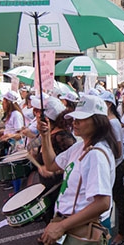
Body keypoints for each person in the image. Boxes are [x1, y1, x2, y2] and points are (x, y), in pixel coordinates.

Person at [38, 94, 119, 245]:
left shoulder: (96, 155)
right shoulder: (79, 146)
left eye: (81, 119)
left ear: (98, 122)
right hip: (73, 224)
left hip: (85, 228)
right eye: (74, 118)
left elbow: (103, 202)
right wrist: (45, 136)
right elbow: (52, 164)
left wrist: (62, 226)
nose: (75, 122)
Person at [29, 96, 75, 224]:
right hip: (47, 187)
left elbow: (73, 163)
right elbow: (32, 147)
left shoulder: (63, 137)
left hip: (59, 188)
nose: (37, 115)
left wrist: (54, 171)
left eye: (40, 112)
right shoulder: (46, 134)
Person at [100, 91, 124, 245]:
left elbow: (119, 149)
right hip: (111, 165)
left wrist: (108, 158)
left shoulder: (113, 123)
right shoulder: (108, 121)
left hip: (116, 166)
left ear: (109, 104)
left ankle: (122, 233)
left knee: (119, 201)